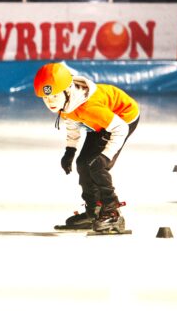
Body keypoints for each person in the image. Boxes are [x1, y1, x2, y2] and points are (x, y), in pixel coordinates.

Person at [33, 62, 139, 233]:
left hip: (122, 119)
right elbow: (71, 120)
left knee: (97, 166)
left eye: (54, 96)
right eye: (46, 98)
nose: (50, 102)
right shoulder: (65, 101)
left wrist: (106, 156)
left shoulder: (89, 107)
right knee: (83, 164)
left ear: (68, 91)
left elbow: (120, 128)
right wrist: (70, 150)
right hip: (100, 123)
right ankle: (94, 211)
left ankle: (112, 213)